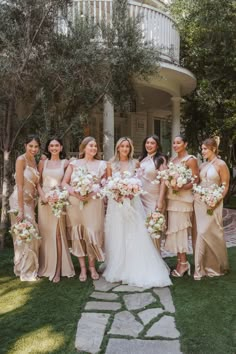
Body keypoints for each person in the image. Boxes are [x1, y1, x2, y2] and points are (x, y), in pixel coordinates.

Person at [103, 137, 172, 288]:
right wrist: (117, 192)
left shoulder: (136, 163)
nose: (125, 149)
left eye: (127, 146)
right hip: (116, 204)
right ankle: (118, 266)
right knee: (117, 233)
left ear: (131, 148)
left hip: (133, 202)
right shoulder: (110, 163)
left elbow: (139, 182)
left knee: (134, 233)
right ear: (118, 148)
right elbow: (108, 184)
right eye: (122, 146)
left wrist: (129, 191)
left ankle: (134, 266)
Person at [62, 136, 106, 281]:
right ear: (84, 148)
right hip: (75, 204)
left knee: (91, 233)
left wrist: (92, 192)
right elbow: (64, 183)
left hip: (93, 203)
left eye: (95, 146)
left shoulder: (102, 164)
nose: (93, 148)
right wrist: (75, 193)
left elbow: (104, 184)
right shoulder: (74, 164)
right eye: (90, 145)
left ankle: (92, 266)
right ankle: (82, 268)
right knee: (78, 234)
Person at [37, 137, 75, 283]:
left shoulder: (65, 163)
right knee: (45, 233)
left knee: (58, 235)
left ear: (61, 147)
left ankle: (58, 269)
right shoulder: (43, 162)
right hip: (44, 201)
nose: (54, 148)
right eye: (51, 146)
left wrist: (59, 195)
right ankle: (45, 266)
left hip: (59, 201)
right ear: (48, 147)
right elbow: (38, 183)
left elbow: (67, 181)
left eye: (56, 145)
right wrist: (44, 197)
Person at [194, 137, 230, 280]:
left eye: (205, 149)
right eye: (202, 149)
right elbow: (196, 182)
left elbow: (225, 185)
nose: (202, 151)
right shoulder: (202, 166)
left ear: (213, 149)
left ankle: (215, 266)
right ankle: (200, 268)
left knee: (211, 231)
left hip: (214, 202)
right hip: (200, 203)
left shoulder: (221, 164)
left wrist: (217, 199)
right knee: (201, 232)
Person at [165, 135, 199, 277]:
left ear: (185, 144)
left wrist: (183, 186)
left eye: (178, 142)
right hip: (172, 199)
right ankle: (180, 261)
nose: (175, 145)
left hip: (184, 201)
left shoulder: (190, 159)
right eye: (174, 143)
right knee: (174, 230)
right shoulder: (172, 161)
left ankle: (184, 263)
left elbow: (196, 179)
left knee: (181, 230)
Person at [9, 135, 41, 281]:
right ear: (25, 145)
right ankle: (26, 271)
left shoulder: (34, 160)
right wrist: (21, 210)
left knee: (31, 234)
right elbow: (20, 186)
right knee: (25, 235)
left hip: (30, 202)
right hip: (19, 201)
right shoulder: (21, 160)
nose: (33, 149)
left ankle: (29, 267)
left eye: (36, 146)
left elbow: (34, 185)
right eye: (31, 146)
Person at [139, 135, 167, 250]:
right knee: (143, 231)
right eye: (147, 143)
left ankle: (157, 258)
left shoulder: (160, 159)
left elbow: (164, 180)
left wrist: (160, 200)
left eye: (152, 143)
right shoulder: (141, 159)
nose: (149, 145)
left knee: (153, 228)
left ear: (157, 145)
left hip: (154, 198)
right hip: (141, 198)